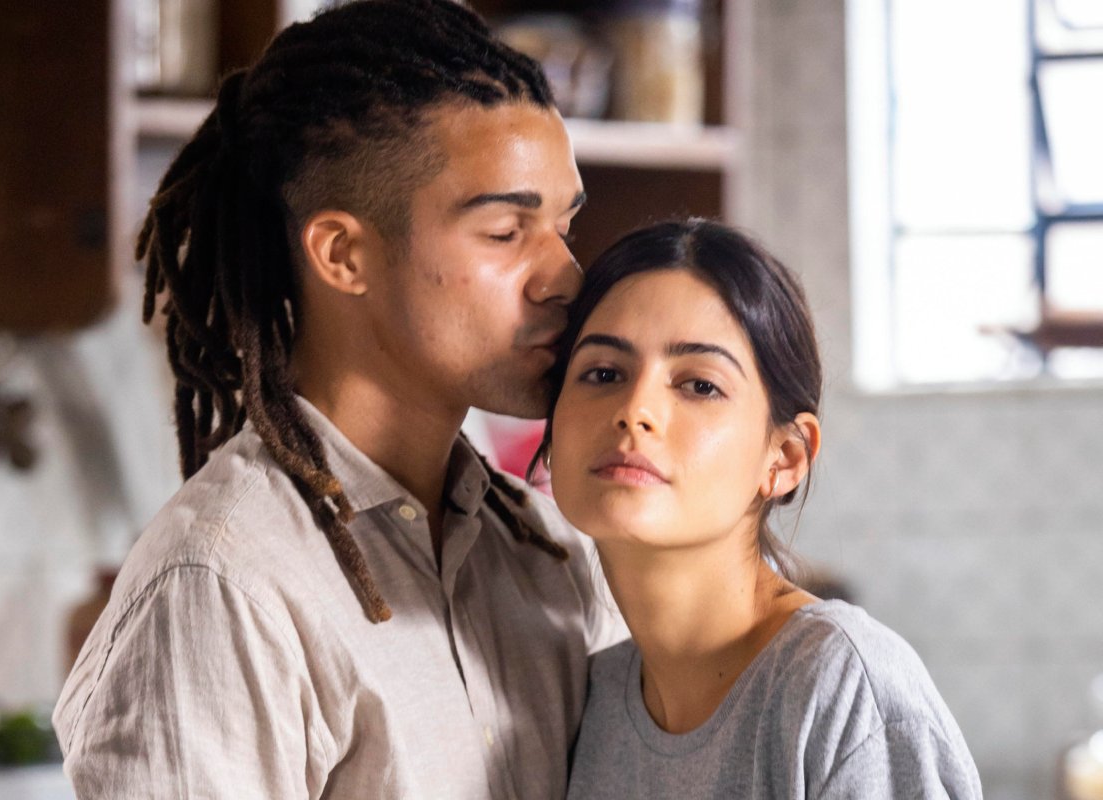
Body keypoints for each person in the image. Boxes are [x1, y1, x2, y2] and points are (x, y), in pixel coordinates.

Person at [52, 2, 622, 797]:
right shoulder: (220, 585)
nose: (564, 274)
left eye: (563, 225)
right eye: (504, 231)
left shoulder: (554, 559)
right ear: (343, 254)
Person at [533, 219, 982, 799]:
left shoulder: (842, 688)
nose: (635, 409)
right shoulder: (594, 701)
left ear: (786, 457)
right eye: (603, 373)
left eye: (699, 385)